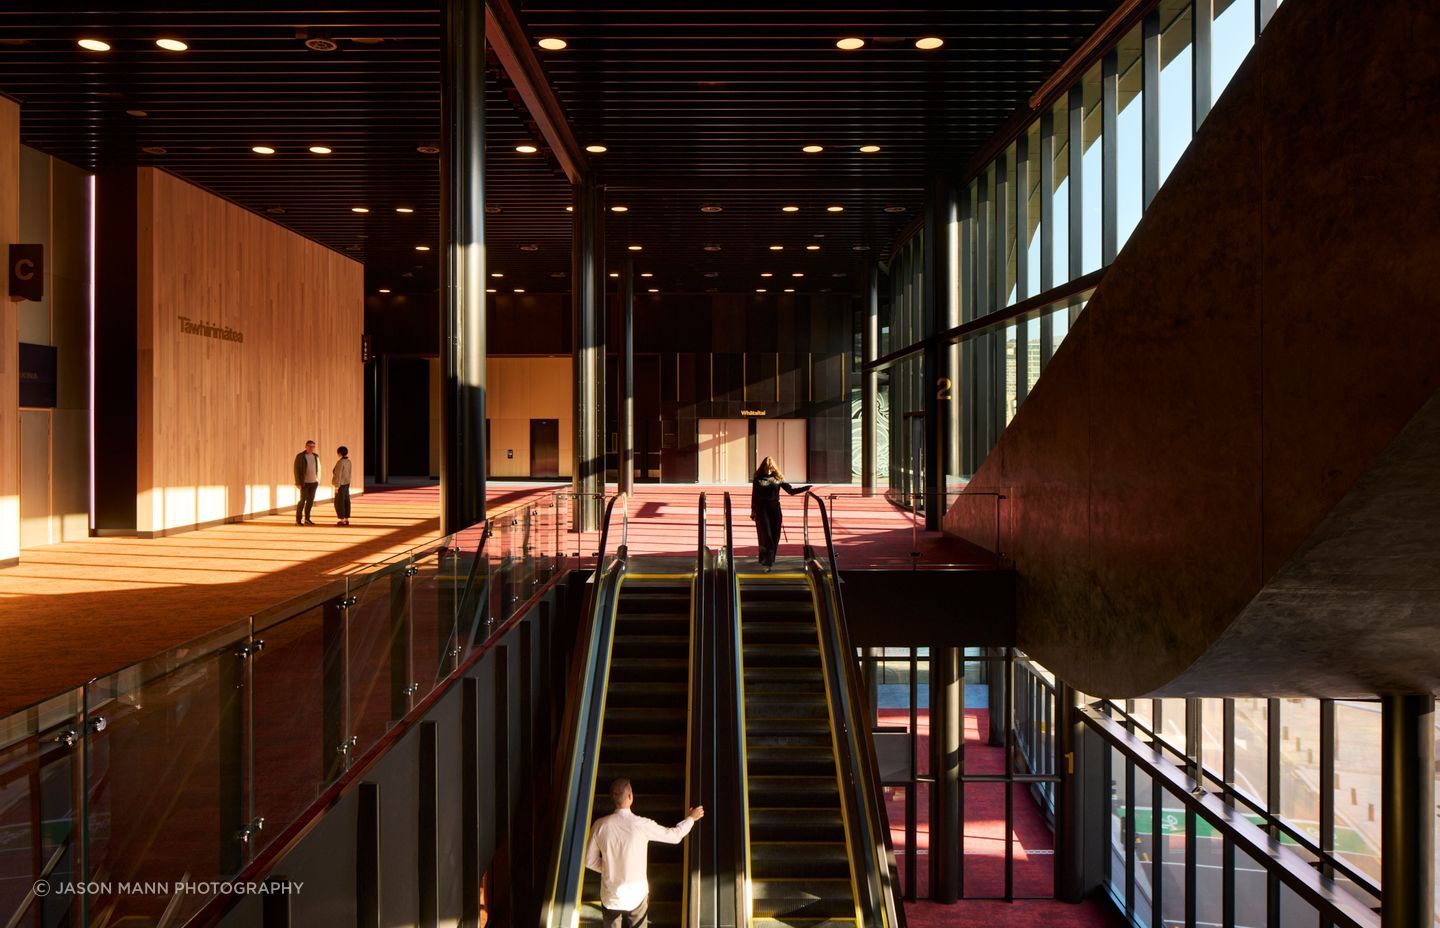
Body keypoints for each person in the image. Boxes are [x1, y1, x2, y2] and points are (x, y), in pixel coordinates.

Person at [584, 778, 703, 928]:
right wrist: (691, 818)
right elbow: (674, 836)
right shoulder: (641, 824)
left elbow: (589, 861)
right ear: (630, 796)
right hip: (636, 895)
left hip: (610, 895)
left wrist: (611, 869)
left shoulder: (599, 825)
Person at [750, 456, 811, 571]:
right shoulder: (758, 479)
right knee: (765, 535)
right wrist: (753, 511)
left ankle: (769, 559)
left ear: (773, 468)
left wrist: (805, 488)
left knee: (775, 535)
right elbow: (754, 496)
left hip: (775, 508)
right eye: (767, 468)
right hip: (762, 509)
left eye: (770, 468)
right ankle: (767, 563)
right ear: (763, 467)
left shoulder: (778, 478)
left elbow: (791, 491)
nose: (769, 470)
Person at [292, 440, 321, 526]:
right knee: (302, 501)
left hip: (314, 482)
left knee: (310, 502)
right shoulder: (300, 456)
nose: (311, 448)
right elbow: (296, 470)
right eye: (309, 446)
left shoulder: (316, 456)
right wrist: (298, 482)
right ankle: (298, 520)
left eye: (313, 446)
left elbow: (319, 468)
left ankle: (307, 519)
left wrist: (318, 480)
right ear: (306, 446)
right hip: (304, 483)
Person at [331, 445, 353, 526]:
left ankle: (342, 519)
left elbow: (338, 475)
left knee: (339, 502)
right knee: (346, 501)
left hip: (341, 484)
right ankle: (346, 519)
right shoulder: (349, 461)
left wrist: (337, 486)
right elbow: (349, 473)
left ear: (339, 453)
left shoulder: (340, 462)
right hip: (346, 484)